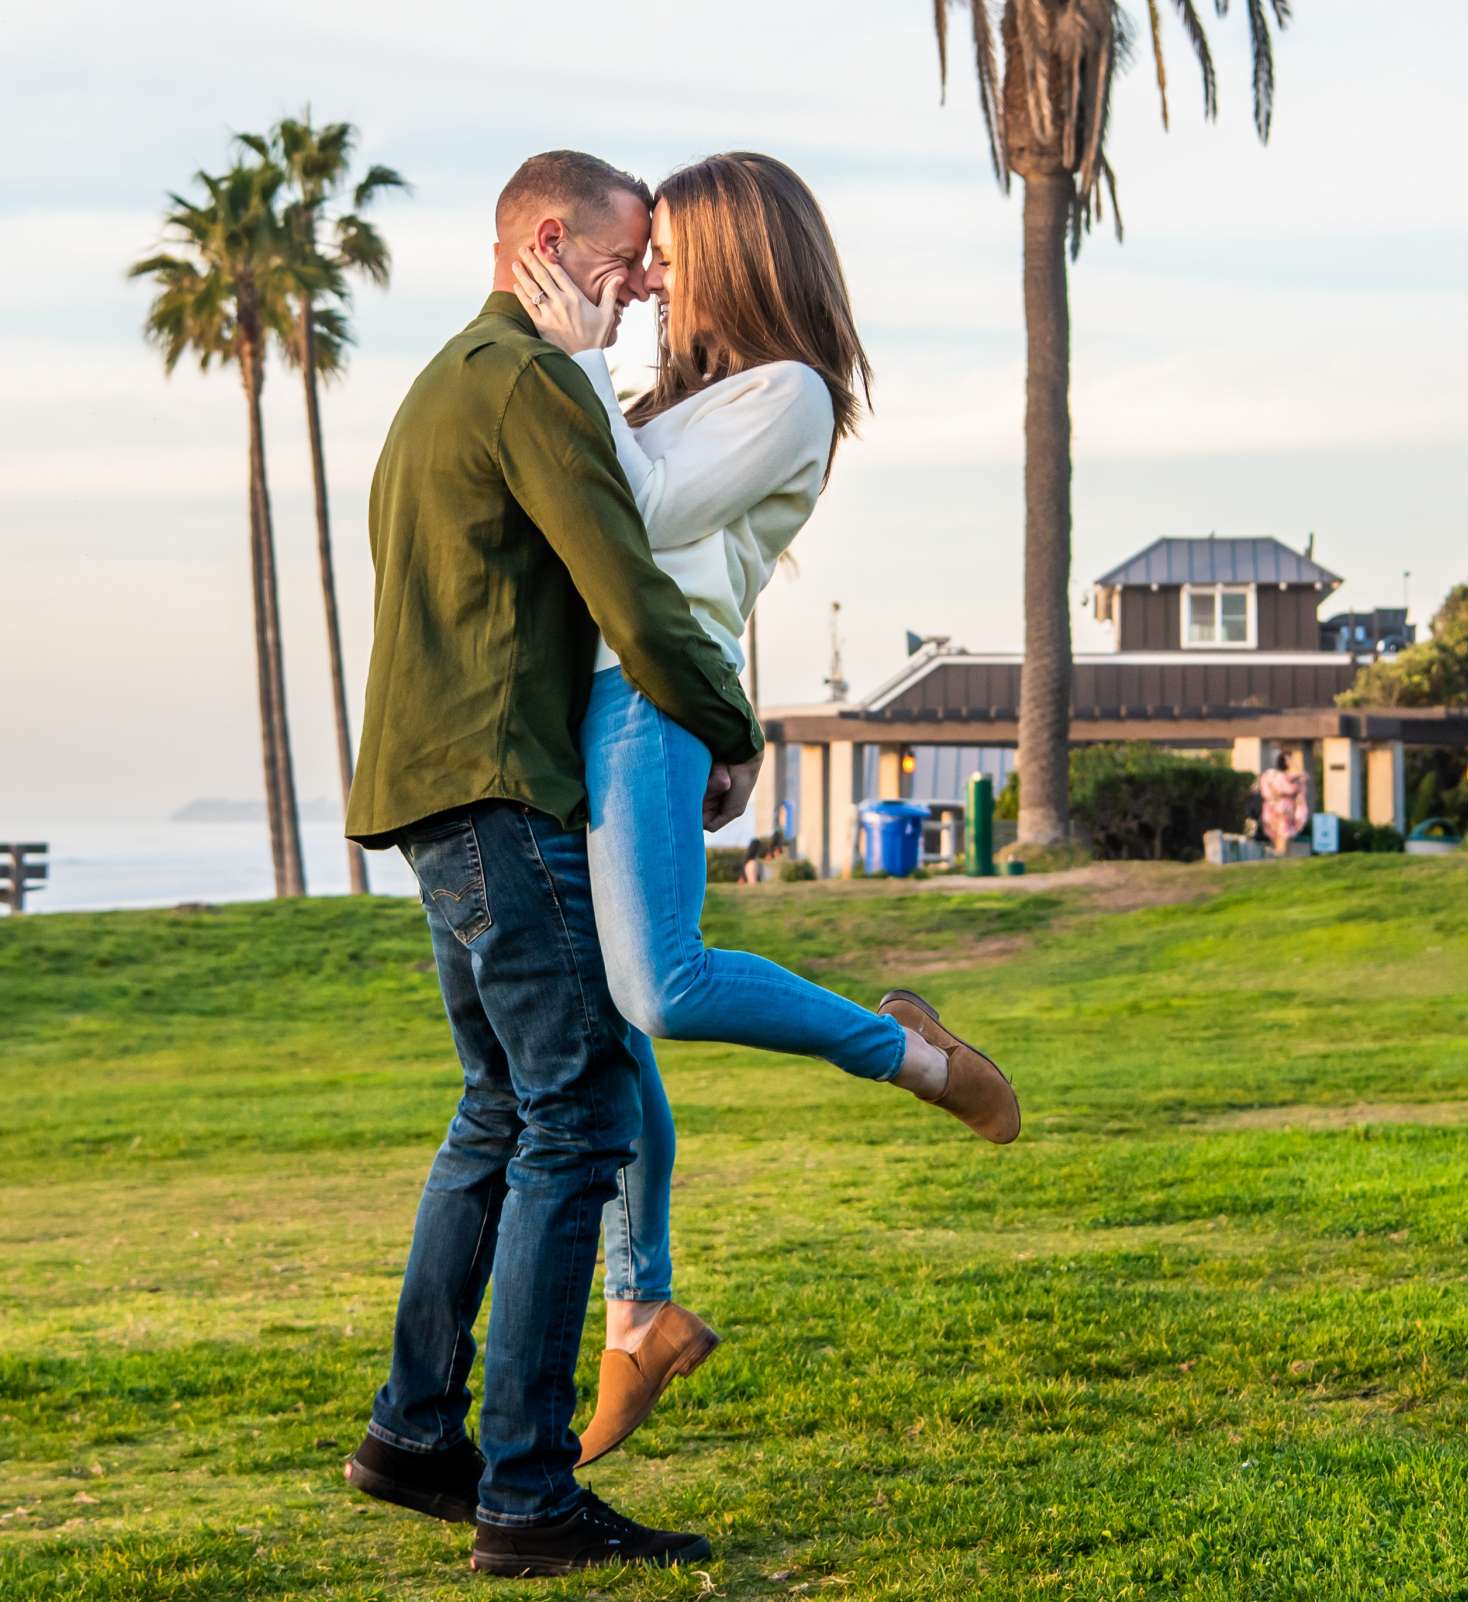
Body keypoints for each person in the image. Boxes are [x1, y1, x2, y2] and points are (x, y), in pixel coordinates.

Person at [507, 153, 1019, 1470]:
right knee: (609, 1020)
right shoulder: (683, 392)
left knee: (662, 987)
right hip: (596, 699)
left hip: (642, 704)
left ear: (740, 249)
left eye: (671, 247)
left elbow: (648, 508)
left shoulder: (789, 393)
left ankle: (913, 1054)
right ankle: (640, 1310)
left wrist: (567, 366)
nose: (651, 269)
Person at [339, 151, 759, 1578]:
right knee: (576, 1109)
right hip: (503, 789)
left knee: (499, 1111)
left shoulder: (445, 378)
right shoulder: (531, 382)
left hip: (425, 790)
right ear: (546, 237)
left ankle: (414, 1434)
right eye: (630, 256)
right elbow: (626, 585)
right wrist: (731, 727)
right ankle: (526, 1492)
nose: (648, 282)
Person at [1257, 752, 1309, 857]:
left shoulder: (1271, 775)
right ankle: (1280, 856)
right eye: (1290, 759)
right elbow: (1301, 780)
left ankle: (1278, 856)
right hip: (1282, 808)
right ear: (1286, 761)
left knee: (1280, 834)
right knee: (1282, 833)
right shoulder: (1279, 776)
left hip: (1273, 807)